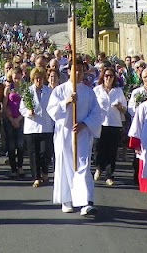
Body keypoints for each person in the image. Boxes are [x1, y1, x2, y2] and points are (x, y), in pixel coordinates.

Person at [47, 60, 102, 216]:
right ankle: (67, 199)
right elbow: (52, 110)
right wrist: (67, 102)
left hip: (82, 134)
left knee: (83, 166)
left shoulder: (89, 92)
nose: (77, 73)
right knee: (66, 165)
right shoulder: (59, 90)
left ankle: (85, 202)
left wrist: (85, 124)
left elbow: (97, 113)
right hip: (64, 134)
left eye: (80, 70)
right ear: (68, 71)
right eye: (74, 70)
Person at [19, 67, 53, 187]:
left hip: (46, 126)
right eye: (36, 78)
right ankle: (36, 177)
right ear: (33, 79)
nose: (38, 80)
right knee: (34, 153)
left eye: (41, 78)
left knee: (45, 152)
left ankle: (44, 172)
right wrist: (28, 112)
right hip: (32, 126)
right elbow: (21, 108)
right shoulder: (28, 92)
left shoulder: (49, 91)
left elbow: (53, 106)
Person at [93, 67, 127, 186]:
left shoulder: (118, 91)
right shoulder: (97, 90)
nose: (108, 78)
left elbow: (125, 108)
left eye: (111, 76)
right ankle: (98, 167)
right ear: (103, 77)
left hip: (114, 124)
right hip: (100, 123)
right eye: (106, 75)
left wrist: (120, 107)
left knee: (111, 151)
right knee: (98, 148)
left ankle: (109, 175)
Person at [2, 67, 26, 179]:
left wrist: (19, 119)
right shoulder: (8, 89)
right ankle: (13, 168)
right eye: (14, 78)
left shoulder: (24, 89)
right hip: (10, 119)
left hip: (21, 118)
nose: (16, 80)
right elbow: (5, 105)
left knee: (20, 144)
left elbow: (28, 104)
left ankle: (20, 166)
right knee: (11, 144)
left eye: (18, 78)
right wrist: (11, 119)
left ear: (22, 76)